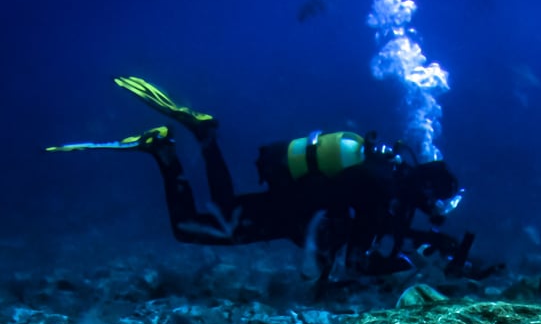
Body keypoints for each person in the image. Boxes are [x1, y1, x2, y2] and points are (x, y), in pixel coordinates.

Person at [47, 76, 472, 282]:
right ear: (428, 189)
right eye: (442, 203)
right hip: (290, 214)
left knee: (224, 208)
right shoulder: (386, 192)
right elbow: (359, 260)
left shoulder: (385, 175)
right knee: (190, 228)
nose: (438, 212)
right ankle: (168, 150)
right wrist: (407, 261)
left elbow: (373, 227)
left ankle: (200, 139)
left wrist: (422, 242)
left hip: (292, 206)